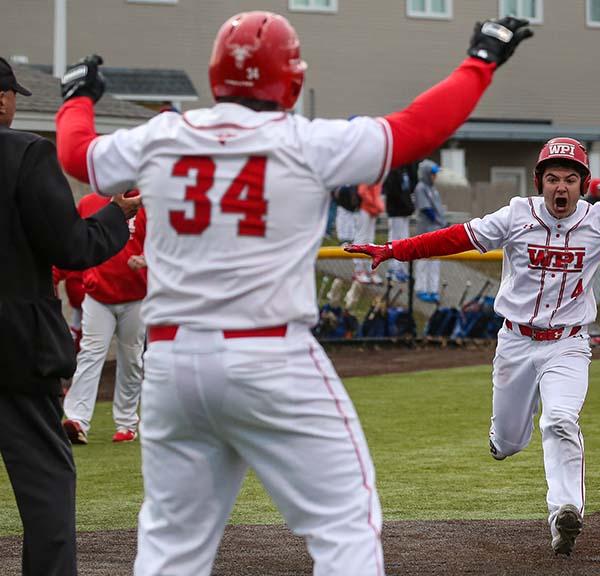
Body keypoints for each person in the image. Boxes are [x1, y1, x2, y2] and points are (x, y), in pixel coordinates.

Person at [55, 12, 531, 575]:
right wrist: (481, 61)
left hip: (173, 360)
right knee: (344, 527)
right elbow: (417, 129)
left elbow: (76, 153)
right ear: (292, 77)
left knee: (171, 546)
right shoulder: (305, 141)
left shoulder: (163, 135)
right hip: (269, 354)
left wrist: (77, 97)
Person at [346, 137, 600, 556]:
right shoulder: (516, 215)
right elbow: (457, 237)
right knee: (508, 443)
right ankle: (505, 435)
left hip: (567, 344)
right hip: (515, 342)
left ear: (582, 184)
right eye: (552, 179)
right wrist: (394, 249)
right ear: (540, 183)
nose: (560, 187)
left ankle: (565, 512)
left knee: (561, 420)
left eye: (569, 179)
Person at [0, 56, 138, 576]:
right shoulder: (26, 153)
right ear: (1, 99)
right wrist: (115, 216)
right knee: (46, 485)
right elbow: (72, 246)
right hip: (15, 350)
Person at [59, 193, 147, 445]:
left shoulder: (145, 201)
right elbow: (73, 241)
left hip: (136, 296)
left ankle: (127, 422)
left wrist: (146, 259)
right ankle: (77, 420)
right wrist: (55, 275)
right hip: (97, 295)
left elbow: (162, 243)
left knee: (131, 358)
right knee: (89, 353)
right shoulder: (88, 203)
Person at [414, 159, 446, 303]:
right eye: (433, 174)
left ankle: (433, 289)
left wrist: (441, 223)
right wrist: (438, 220)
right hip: (425, 230)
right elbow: (425, 208)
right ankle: (421, 289)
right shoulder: (421, 188)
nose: (435, 176)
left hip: (436, 230)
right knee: (423, 261)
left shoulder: (433, 189)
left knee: (435, 262)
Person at [383, 164, 418, 283]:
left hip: (404, 212)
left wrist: (408, 206)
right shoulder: (393, 171)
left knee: (403, 240)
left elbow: (410, 187)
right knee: (394, 239)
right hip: (395, 212)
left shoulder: (405, 170)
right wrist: (406, 204)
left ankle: (401, 269)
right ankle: (393, 269)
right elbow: (393, 191)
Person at [352, 183, 385, 284]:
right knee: (361, 238)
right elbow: (362, 191)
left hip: (373, 209)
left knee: (370, 239)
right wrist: (375, 204)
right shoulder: (368, 177)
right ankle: (358, 270)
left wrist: (378, 206)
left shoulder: (379, 178)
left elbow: (377, 194)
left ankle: (370, 269)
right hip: (365, 208)